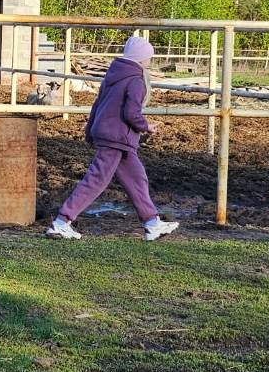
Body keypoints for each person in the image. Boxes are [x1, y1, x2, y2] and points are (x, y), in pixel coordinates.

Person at [47, 36, 179, 242]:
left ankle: (152, 223)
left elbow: (97, 105)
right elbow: (131, 114)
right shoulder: (136, 80)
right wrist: (146, 127)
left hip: (110, 135)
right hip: (117, 138)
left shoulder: (113, 75)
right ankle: (61, 222)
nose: (149, 62)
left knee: (137, 179)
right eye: (148, 58)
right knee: (96, 180)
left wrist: (90, 131)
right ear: (142, 59)